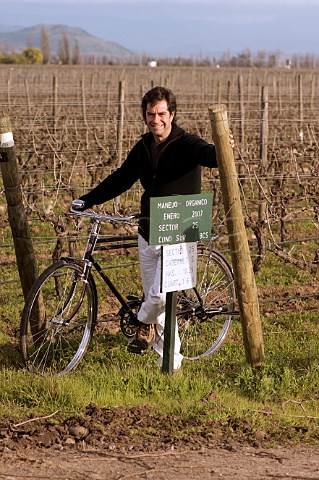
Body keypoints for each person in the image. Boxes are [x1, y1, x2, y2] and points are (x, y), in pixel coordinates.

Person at [71, 86, 234, 371]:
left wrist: (222, 147)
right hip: (148, 229)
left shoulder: (186, 143)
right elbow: (122, 177)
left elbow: (207, 155)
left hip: (179, 230)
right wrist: (88, 200)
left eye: (161, 113)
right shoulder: (145, 146)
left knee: (157, 297)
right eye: (150, 114)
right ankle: (171, 364)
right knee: (158, 303)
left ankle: (141, 324)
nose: (155, 119)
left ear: (172, 114)